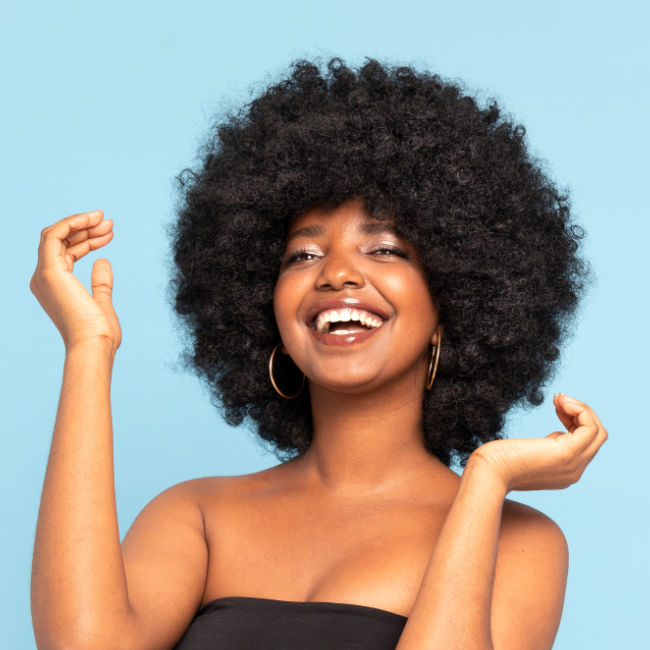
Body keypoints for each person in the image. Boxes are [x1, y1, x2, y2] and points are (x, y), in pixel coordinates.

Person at [29, 57, 607, 650]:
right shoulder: (198, 515)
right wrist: (88, 347)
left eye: (384, 249)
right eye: (303, 256)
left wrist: (486, 479)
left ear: (452, 305)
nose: (336, 273)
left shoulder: (517, 540)